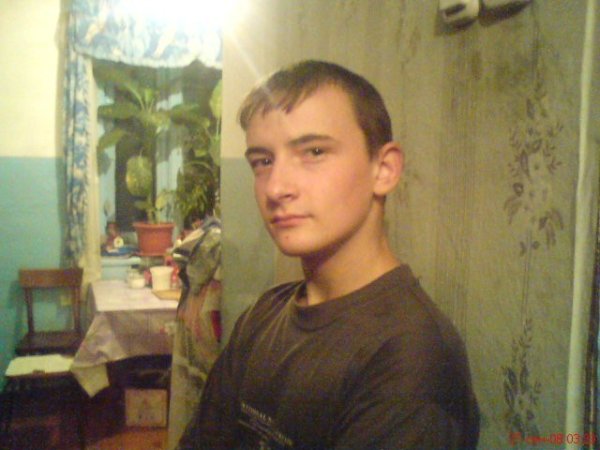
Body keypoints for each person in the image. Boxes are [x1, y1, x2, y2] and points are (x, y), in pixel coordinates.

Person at [177, 60, 480, 449]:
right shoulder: (264, 315)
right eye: (263, 162)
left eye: (314, 151)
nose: (276, 188)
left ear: (384, 169)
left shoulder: (412, 355)